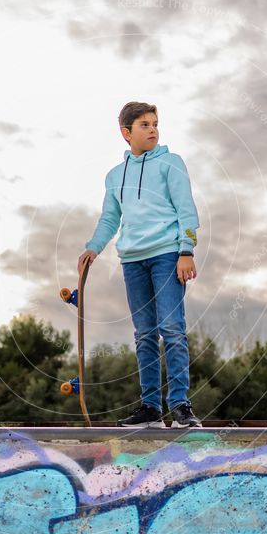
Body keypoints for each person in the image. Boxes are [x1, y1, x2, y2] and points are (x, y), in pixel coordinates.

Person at [77, 101, 201, 429]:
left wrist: (185, 250)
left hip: (167, 256)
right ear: (126, 133)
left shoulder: (171, 164)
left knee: (172, 328)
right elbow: (110, 218)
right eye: (144, 125)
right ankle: (150, 408)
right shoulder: (115, 176)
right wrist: (93, 247)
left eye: (155, 123)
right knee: (144, 334)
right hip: (132, 261)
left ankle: (180, 404)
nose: (153, 130)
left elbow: (186, 208)